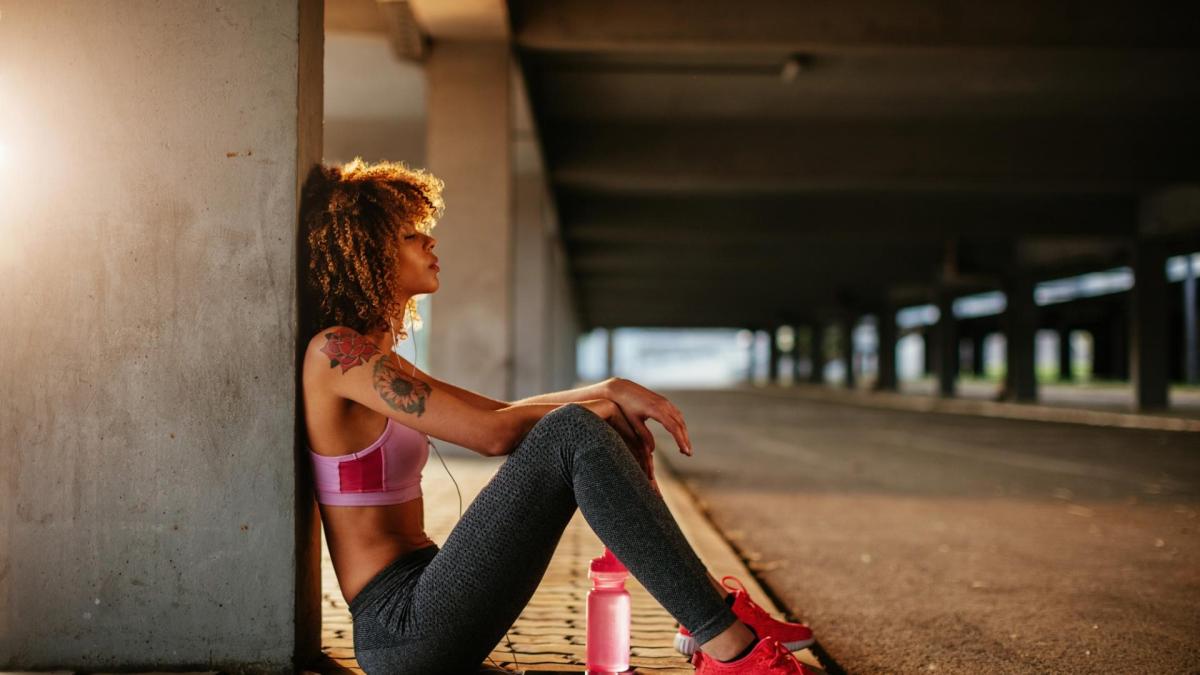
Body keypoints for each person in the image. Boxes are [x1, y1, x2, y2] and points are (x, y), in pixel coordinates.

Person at [300, 158, 816, 674]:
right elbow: (492, 434)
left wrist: (606, 390)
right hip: (399, 627)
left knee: (572, 428)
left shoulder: (375, 358)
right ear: (368, 250)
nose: (431, 244)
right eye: (412, 235)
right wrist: (596, 412)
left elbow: (498, 411)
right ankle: (731, 648)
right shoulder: (337, 354)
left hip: (430, 592)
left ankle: (713, 618)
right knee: (571, 431)